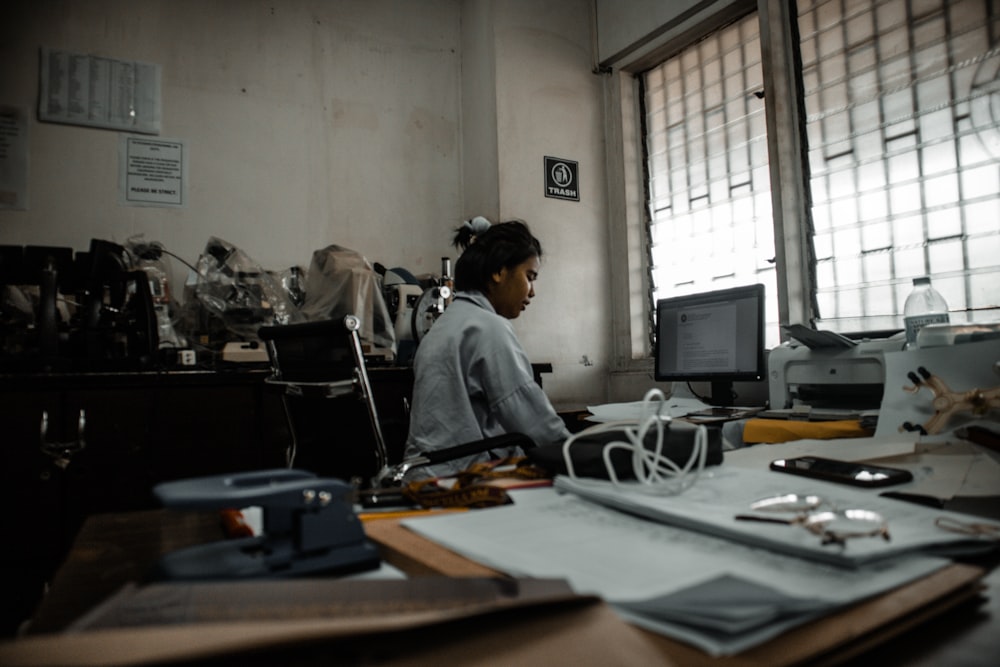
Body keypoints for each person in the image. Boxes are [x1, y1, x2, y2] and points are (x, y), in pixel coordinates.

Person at [403, 216, 571, 479]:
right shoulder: (488, 327)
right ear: (499, 271)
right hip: (459, 480)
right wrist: (577, 453)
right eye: (530, 276)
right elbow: (531, 420)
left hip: (424, 473)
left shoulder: (446, 324)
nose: (532, 291)